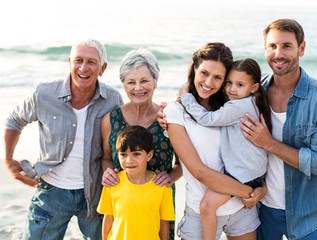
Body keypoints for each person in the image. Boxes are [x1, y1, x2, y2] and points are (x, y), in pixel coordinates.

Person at [3, 39, 123, 239]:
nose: (83, 67)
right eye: (78, 60)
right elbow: (15, 120)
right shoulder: (44, 93)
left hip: (94, 193)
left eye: (91, 62)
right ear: (69, 62)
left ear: (102, 68)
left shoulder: (112, 100)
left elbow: (123, 139)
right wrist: (8, 159)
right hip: (51, 191)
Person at [240, 19, 317, 240]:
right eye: (272, 46)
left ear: (301, 48)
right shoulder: (254, 95)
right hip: (262, 210)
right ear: (265, 49)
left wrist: (268, 142)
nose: (279, 53)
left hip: (307, 214)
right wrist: (175, 109)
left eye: (287, 46)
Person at [163, 42, 265, 240]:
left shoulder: (231, 106)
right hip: (203, 211)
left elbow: (256, 152)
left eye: (218, 77)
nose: (209, 82)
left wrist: (262, 189)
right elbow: (199, 171)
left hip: (242, 209)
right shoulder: (174, 112)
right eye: (204, 73)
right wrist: (249, 191)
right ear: (194, 69)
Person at [100, 47, 182, 240]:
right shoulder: (110, 120)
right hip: (123, 202)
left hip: (157, 202)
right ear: (124, 85)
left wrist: (171, 177)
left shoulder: (169, 117)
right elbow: (105, 158)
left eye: (144, 81)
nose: (138, 88)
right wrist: (108, 172)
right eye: (131, 82)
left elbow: (183, 163)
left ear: (155, 82)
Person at [97, 125, 175, 240]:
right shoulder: (113, 183)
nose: (129, 160)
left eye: (136, 154)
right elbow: (108, 218)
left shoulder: (162, 187)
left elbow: (164, 223)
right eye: (123, 155)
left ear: (149, 155)